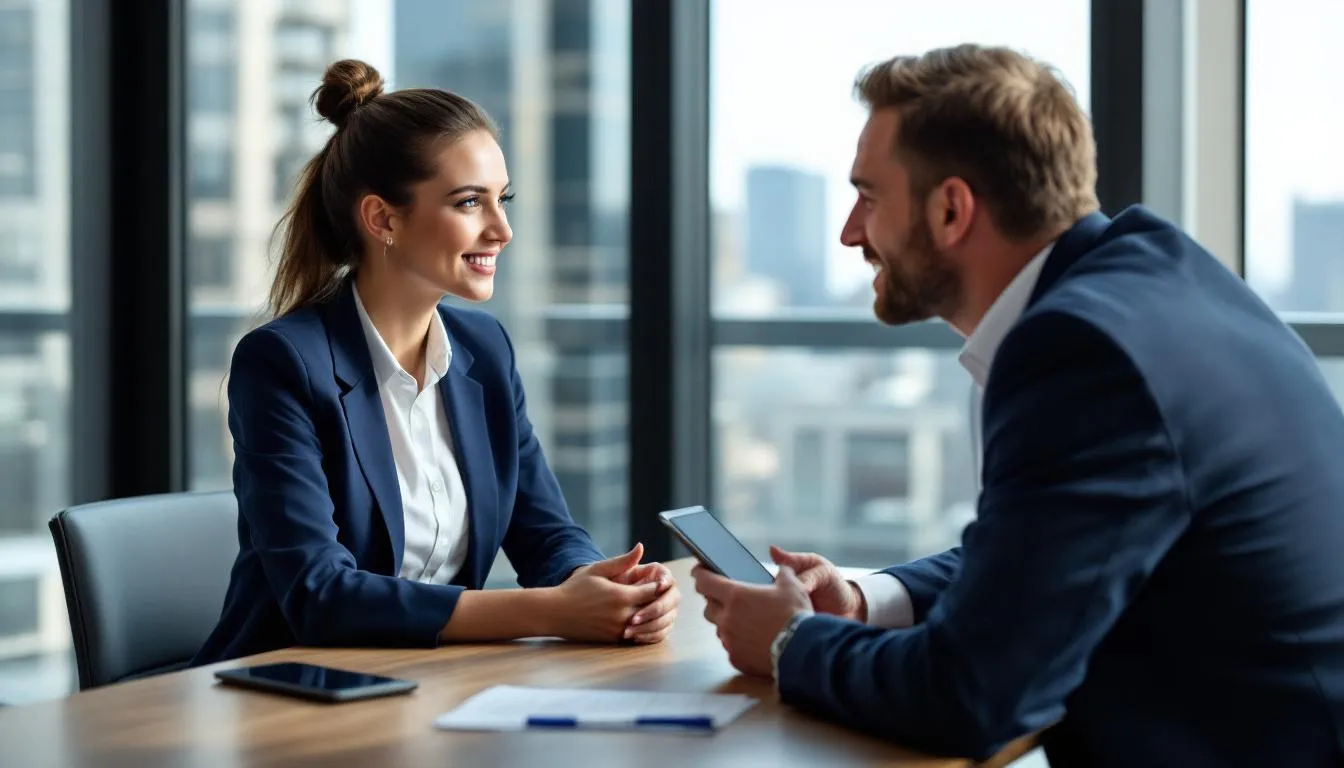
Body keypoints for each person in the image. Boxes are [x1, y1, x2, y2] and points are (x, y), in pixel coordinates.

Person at [693, 44, 1344, 766]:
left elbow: (973, 695)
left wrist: (790, 642)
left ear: (950, 209)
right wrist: (864, 598)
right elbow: (1049, 551)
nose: (851, 231)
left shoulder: (1080, 352)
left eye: (869, 198)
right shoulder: (1161, 278)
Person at [194, 59, 679, 666]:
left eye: (502, 200)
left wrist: (601, 584)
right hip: (293, 688)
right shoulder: (283, 362)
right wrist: (552, 610)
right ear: (383, 219)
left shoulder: (484, 351)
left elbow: (546, 532)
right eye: (470, 202)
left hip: (431, 677)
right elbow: (320, 596)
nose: (501, 229)